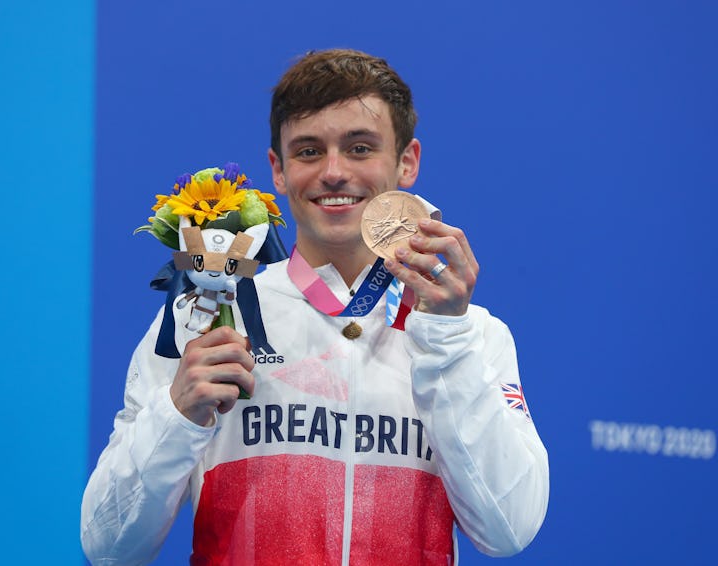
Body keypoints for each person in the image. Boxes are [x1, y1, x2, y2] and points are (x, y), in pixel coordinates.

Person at [81, 48, 549, 565]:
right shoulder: (205, 319)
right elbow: (108, 549)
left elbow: (508, 530)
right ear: (277, 172)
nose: (332, 172)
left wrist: (446, 338)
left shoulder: (471, 334)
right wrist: (177, 415)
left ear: (407, 161)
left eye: (360, 147)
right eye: (308, 151)